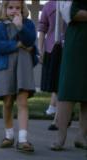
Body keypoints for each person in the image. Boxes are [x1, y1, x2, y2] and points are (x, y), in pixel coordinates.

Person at [0, 0, 38, 153]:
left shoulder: (28, 24)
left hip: (23, 67)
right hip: (6, 68)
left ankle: (23, 139)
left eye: (18, 7)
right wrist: (17, 45)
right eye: (10, 7)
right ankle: (9, 135)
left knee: (22, 101)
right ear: (4, 9)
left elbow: (30, 40)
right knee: (8, 101)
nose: (14, 10)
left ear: (23, 9)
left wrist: (20, 27)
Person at [50, 0, 87, 151]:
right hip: (77, 41)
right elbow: (71, 13)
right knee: (67, 88)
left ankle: (81, 136)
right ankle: (61, 137)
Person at [38, 1, 66, 130]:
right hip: (51, 49)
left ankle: (57, 119)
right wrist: (40, 49)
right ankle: (62, 113)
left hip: (68, 49)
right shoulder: (48, 6)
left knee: (61, 84)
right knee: (55, 84)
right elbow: (42, 29)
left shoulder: (72, 4)